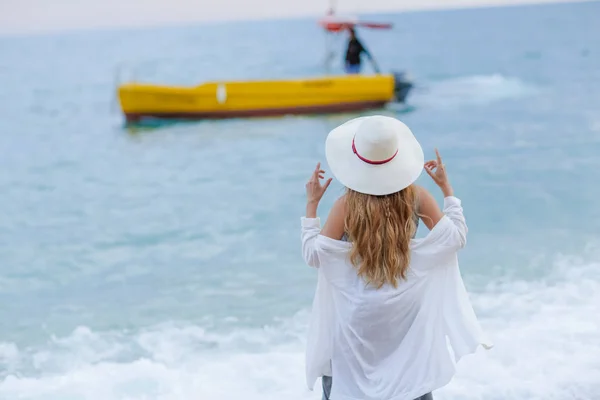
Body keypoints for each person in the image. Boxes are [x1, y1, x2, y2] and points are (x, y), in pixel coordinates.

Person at [301, 116, 492, 400]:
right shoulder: (415, 197)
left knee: (347, 381)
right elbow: (455, 238)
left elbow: (315, 255)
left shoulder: (346, 206)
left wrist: (312, 204)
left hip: (356, 320)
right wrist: (446, 190)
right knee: (409, 380)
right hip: (404, 316)